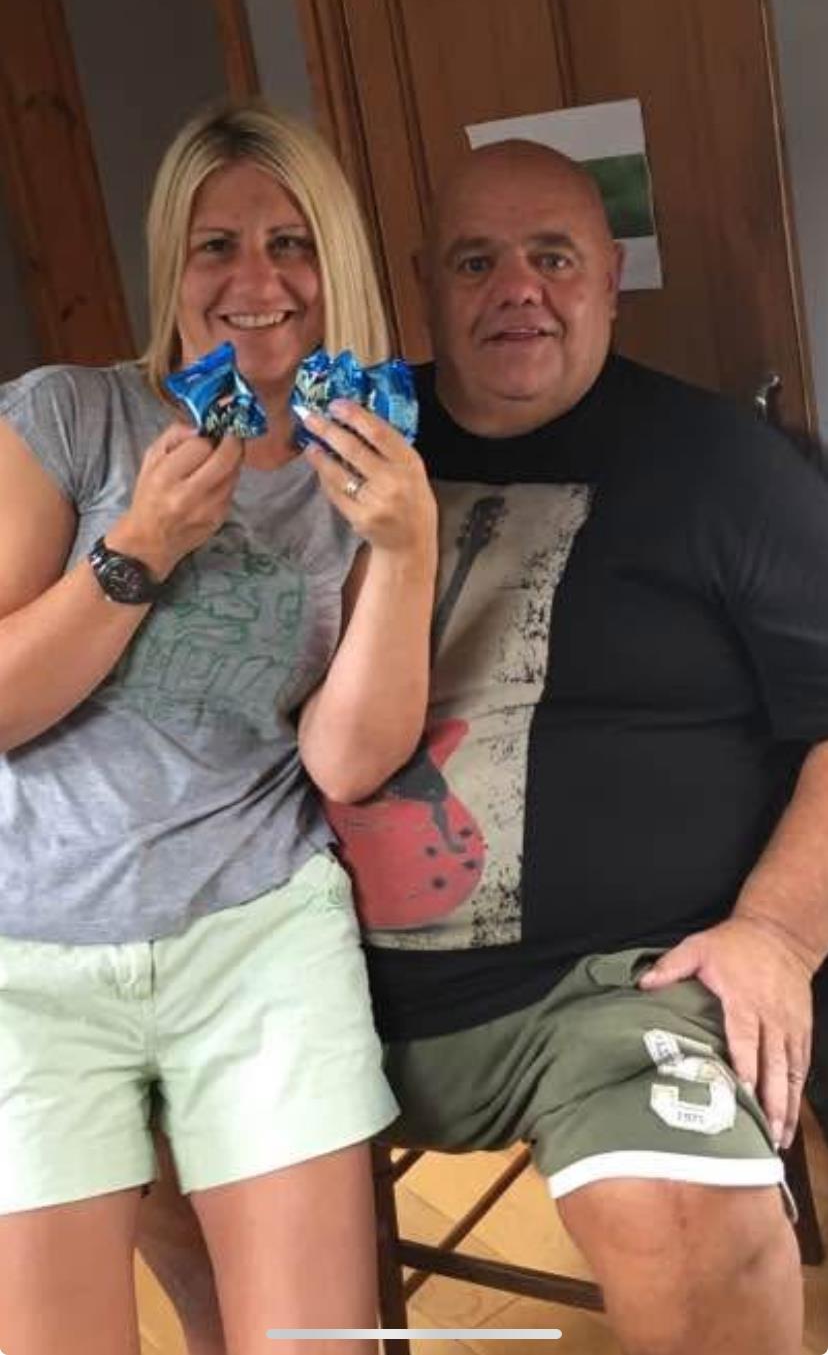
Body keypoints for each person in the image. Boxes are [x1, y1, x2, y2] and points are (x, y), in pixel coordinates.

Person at [139, 139, 828, 1355]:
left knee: (692, 1233)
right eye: (477, 260)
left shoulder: (728, 468)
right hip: (298, 979)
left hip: (613, 989)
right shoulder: (327, 446)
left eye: (553, 257)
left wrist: (778, 928)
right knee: (115, 1118)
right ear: (425, 282)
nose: (518, 288)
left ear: (610, 277)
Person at [0, 98, 437, 1355]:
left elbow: (349, 759)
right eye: (217, 248)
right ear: (171, 272)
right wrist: (135, 551)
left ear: (334, 266)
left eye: (292, 243)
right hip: (33, 948)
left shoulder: (372, 457)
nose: (259, 283)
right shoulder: (69, 420)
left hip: (253, 934)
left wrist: (403, 554)